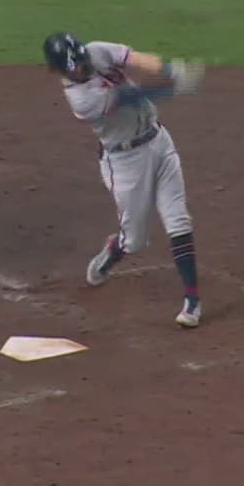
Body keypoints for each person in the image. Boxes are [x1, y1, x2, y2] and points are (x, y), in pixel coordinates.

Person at [43, 31, 206, 328]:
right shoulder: (81, 99)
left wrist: (171, 69)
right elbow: (130, 97)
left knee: (178, 220)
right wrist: (173, 88)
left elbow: (137, 59)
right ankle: (113, 251)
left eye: (81, 61)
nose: (81, 68)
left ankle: (192, 302)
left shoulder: (95, 50)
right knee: (135, 241)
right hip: (126, 162)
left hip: (160, 141)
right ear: (60, 71)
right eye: (73, 68)